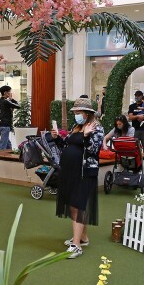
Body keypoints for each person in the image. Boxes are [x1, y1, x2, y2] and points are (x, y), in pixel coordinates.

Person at [51, 97, 104, 259]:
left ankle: (77, 245)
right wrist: (57, 138)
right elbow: (68, 143)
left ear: (87, 114)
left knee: (78, 205)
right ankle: (82, 237)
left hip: (85, 172)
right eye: (75, 112)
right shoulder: (77, 126)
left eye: (79, 112)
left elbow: (93, 149)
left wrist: (87, 136)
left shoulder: (97, 128)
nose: (76, 115)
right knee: (75, 206)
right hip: (70, 171)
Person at [0, 85, 20, 150]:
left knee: (8, 144)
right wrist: (12, 99)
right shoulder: (6, 101)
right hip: (5, 125)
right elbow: (18, 106)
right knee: (3, 144)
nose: (10, 93)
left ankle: (9, 156)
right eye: (9, 92)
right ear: (5, 93)